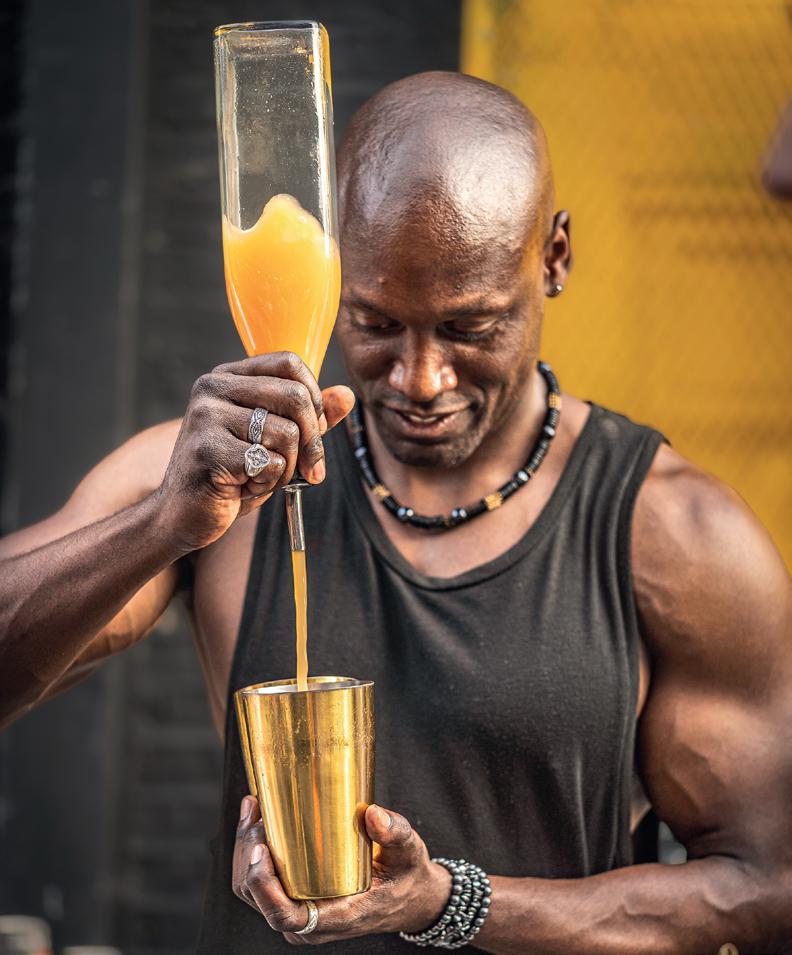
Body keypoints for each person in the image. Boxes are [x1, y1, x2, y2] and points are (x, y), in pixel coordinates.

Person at [0, 72, 790, 954]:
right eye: (375, 323)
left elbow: (767, 888)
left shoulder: (673, 533)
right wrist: (158, 527)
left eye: (470, 329)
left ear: (555, 257)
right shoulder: (217, 482)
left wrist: (453, 902)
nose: (419, 379)